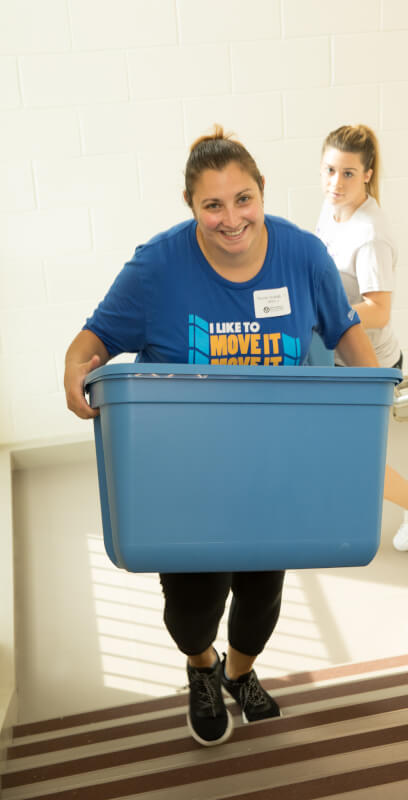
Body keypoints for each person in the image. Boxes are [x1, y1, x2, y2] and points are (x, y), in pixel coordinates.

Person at [64, 126, 379, 748]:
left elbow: (346, 333)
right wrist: (75, 367)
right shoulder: (157, 266)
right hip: (186, 474)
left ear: (262, 191)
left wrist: (371, 404)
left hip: (273, 467)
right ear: (191, 205)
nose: (231, 219)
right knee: (192, 608)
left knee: (262, 598)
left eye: (243, 199)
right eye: (212, 205)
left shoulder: (303, 254)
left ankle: (239, 672)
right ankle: (202, 666)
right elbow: (92, 340)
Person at [309, 123, 408, 552]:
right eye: (330, 170)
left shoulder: (371, 235)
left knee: (355, 457)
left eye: (348, 173)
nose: (335, 182)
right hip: (337, 357)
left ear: (367, 173)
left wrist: (322, 317)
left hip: (370, 365)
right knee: (332, 447)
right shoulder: (332, 209)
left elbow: (379, 311)